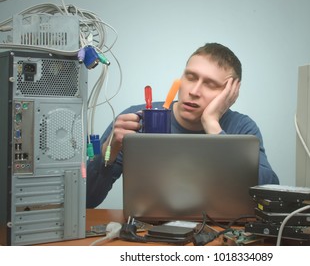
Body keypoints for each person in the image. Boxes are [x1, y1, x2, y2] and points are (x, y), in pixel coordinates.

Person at [86, 42, 279, 208]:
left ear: (230, 94)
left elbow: (270, 195)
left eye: (210, 84)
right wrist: (106, 157)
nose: (194, 91)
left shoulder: (241, 127)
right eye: (191, 77)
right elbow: (87, 201)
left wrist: (213, 126)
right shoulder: (137, 119)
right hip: (147, 231)